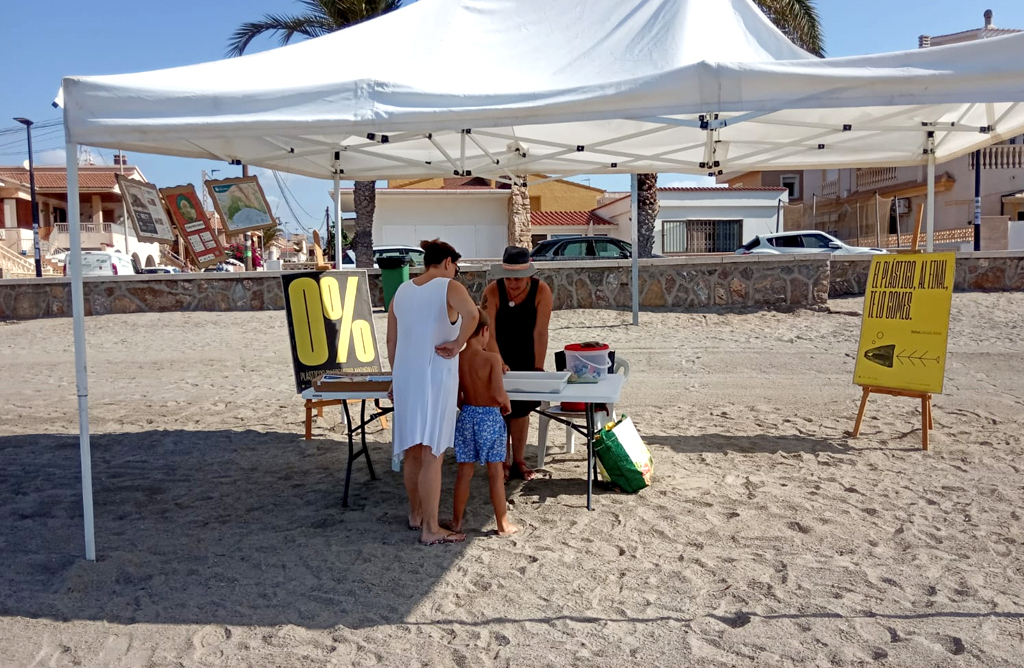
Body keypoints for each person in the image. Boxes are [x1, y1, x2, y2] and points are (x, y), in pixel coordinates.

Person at [388, 239, 479, 546]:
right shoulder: (449, 287)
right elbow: (474, 315)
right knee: (432, 453)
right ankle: (430, 527)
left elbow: (392, 340)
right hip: (435, 376)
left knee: (413, 451)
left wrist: (395, 377)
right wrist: (458, 343)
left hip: (406, 377)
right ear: (448, 262)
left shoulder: (402, 290)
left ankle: (416, 514)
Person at [480, 246, 554, 481]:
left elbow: (541, 332)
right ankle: (502, 461)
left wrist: (538, 368)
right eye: (509, 278)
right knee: (499, 410)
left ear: (529, 276)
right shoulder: (492, 291)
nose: (513, 284)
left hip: (527, 354)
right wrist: (497, 360)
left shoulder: (542, 291)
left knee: (521, 412)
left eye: (518, 279)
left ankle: (519, 461)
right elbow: (487, 332)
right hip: (496, 353)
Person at [448, 308, 519, 537]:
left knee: (464, 472)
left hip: (468, 414)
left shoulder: (459, 359)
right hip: (489, 416)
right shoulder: (492, 358)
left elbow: (457, 396)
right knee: (495, 473)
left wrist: (470, 405)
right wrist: (505, 402)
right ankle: (502, 524)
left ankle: (456, 522)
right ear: (485, 331)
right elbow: (498, 394)